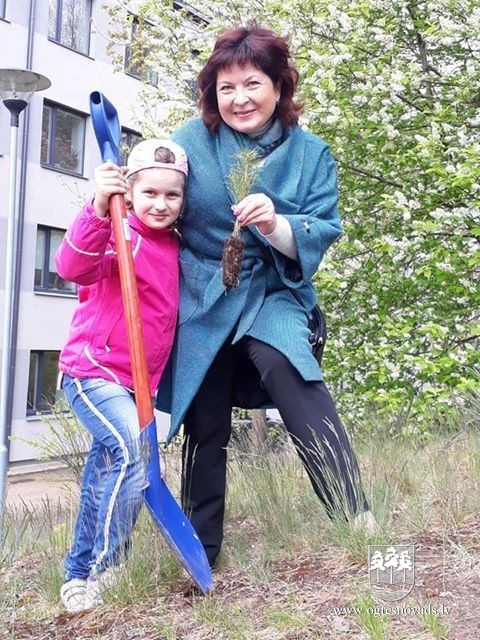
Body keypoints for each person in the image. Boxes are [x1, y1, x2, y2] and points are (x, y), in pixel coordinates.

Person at [157, 26, 377, 568]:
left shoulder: (311, 153)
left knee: (288, 365)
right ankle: (200, 552)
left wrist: (277, 224)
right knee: (205, 412)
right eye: (226, 88)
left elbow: (323, 227)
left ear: (279, 86)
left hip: (274, 287)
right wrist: (113, 192)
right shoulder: (187, 143)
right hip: (203, 292)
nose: (239, 99)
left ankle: (357, 518)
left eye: (252, 84)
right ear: (212, 93)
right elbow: (152, 200)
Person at [55, 139, 188, 612]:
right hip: (92, 371)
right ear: (129, 192)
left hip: (136, 386)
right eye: (149, 192)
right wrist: (97, 205)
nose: (160, 204)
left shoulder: (175, 246)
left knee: (103, 475)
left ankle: (77, 573)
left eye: (172, 195)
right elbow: (71, 265)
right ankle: (106, 567)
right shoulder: (118, 231)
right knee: (134, 450)